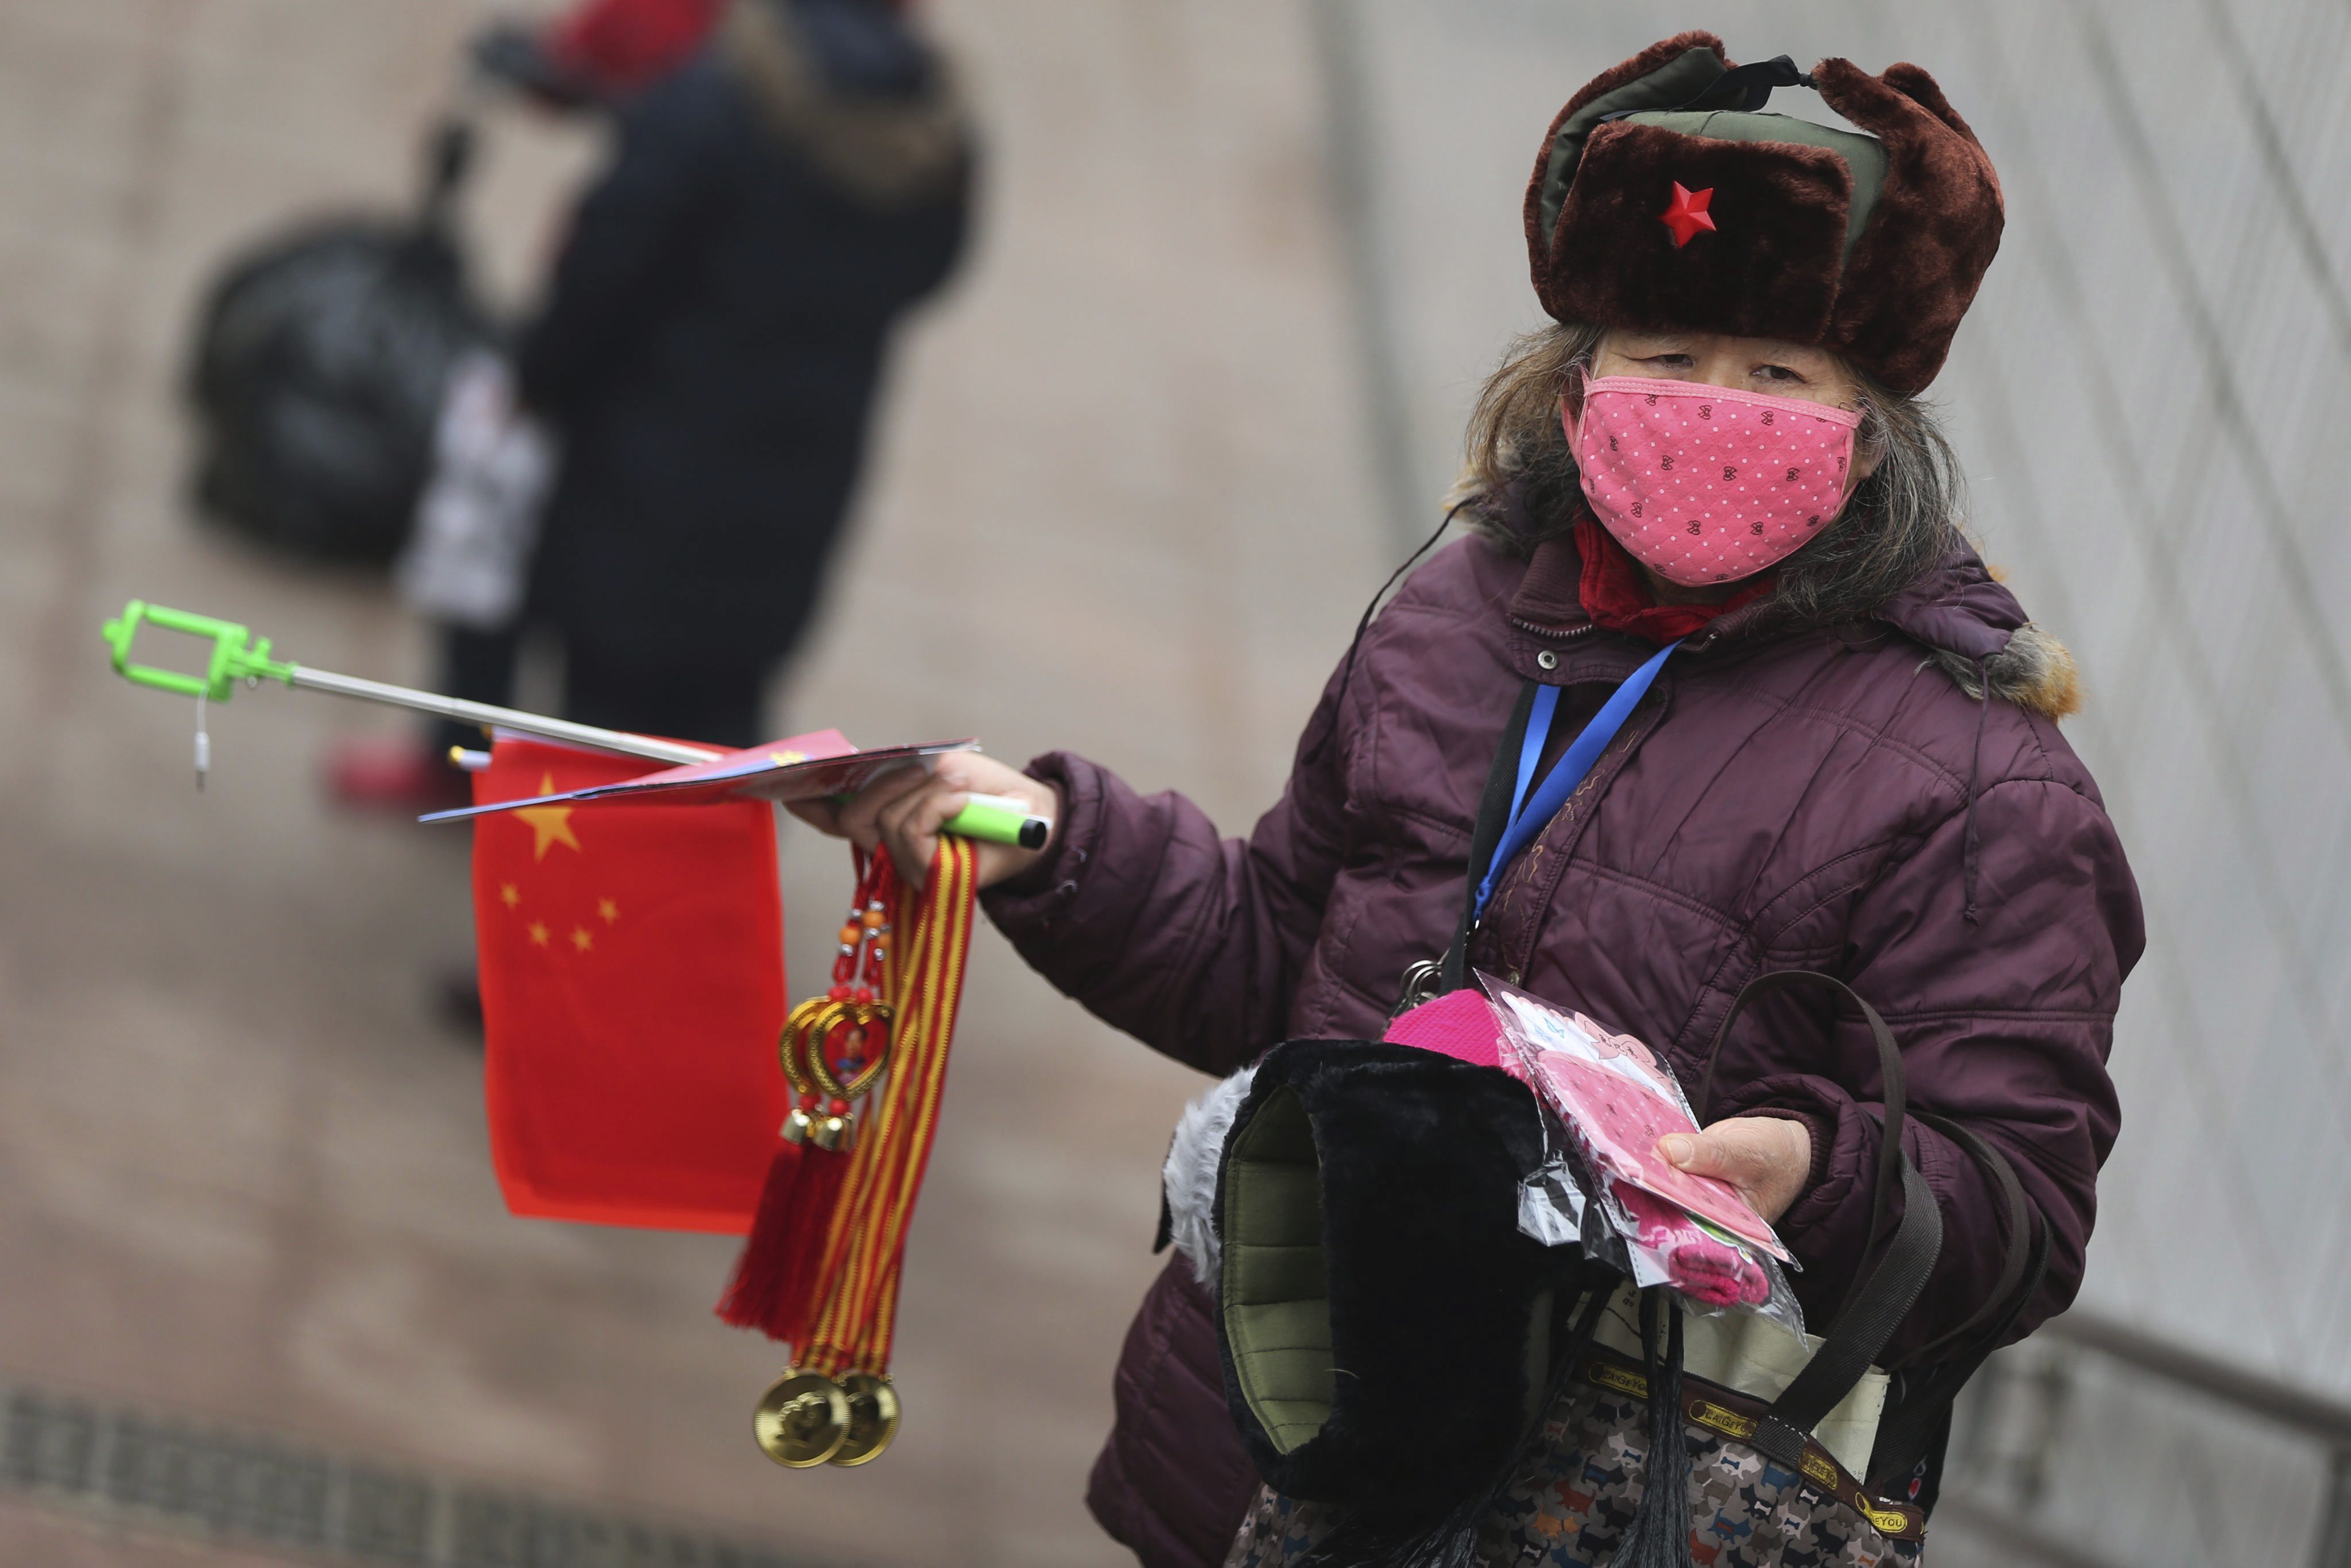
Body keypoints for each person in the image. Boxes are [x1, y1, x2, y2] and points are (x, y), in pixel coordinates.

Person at [804, 32, 2140, 1568]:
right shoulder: (1456, 617)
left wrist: (1807, 1173)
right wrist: (1050, 842)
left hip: (1589, 1492)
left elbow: (2017, 1206)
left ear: (1873, 427)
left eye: (1778, 375)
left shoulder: (1983, 782)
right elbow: (1281, 966)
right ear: (1578, 383)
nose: (1715, 408)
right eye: (1665, 357)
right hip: (1266, 1447)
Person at [335, 0, 969, 809]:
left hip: (646, 481)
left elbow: (607, 265)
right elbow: (936, 265)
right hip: (802, 485)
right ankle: (708, 913)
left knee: (605, 736)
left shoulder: (714, 99)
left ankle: (568, 917)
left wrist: (537, 379)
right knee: (723, 730)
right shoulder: (933, 124)